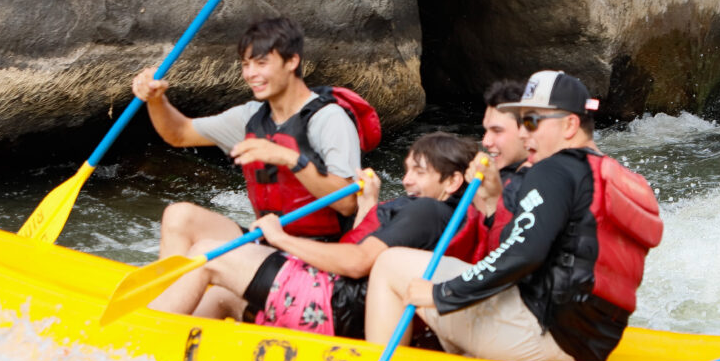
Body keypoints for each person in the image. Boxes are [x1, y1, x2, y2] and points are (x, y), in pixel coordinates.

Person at [364, 70, 664, 361]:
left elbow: (523, 254)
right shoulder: (611, 174)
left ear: (570, 124)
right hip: (589, 346)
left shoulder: (552, 170)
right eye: (521, 122)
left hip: (535, 336)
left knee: (390, 264)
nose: (523, 133)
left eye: (532, 121)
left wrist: (443, 293)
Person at [132, 16, 372, 317]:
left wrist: (288, 158)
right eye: (246, 65)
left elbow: (348, 202)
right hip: (270, 247)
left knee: (206, 255)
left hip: (320, 266)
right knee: (179, 216)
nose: (250, 74)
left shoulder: (328, 119)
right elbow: (179, 133)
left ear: (292, 61)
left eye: (261, 63)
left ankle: (157, 323)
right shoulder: (252, 116)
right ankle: (163, 309)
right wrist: (156, 100)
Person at [148, 133, 481, 340]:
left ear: (452, 182)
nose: (407, 180)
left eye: (419, 173)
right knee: (222, 295)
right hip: (342, 303)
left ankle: (140, 336)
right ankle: (171, 352)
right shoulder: (438, 215)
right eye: (407, 169)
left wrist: (280, 239)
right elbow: (368, 247)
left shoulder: (427, 212)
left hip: (332, 303)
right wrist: (369, 203)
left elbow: (357, 263)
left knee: (210, 253)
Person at [471, 79, 531, 255]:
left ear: (528, 129)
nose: (485, 142)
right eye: (486, 130)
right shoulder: (505, 171)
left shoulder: (538, 181)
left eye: (497, 131)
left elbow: (507, 256)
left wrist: (489, 202)